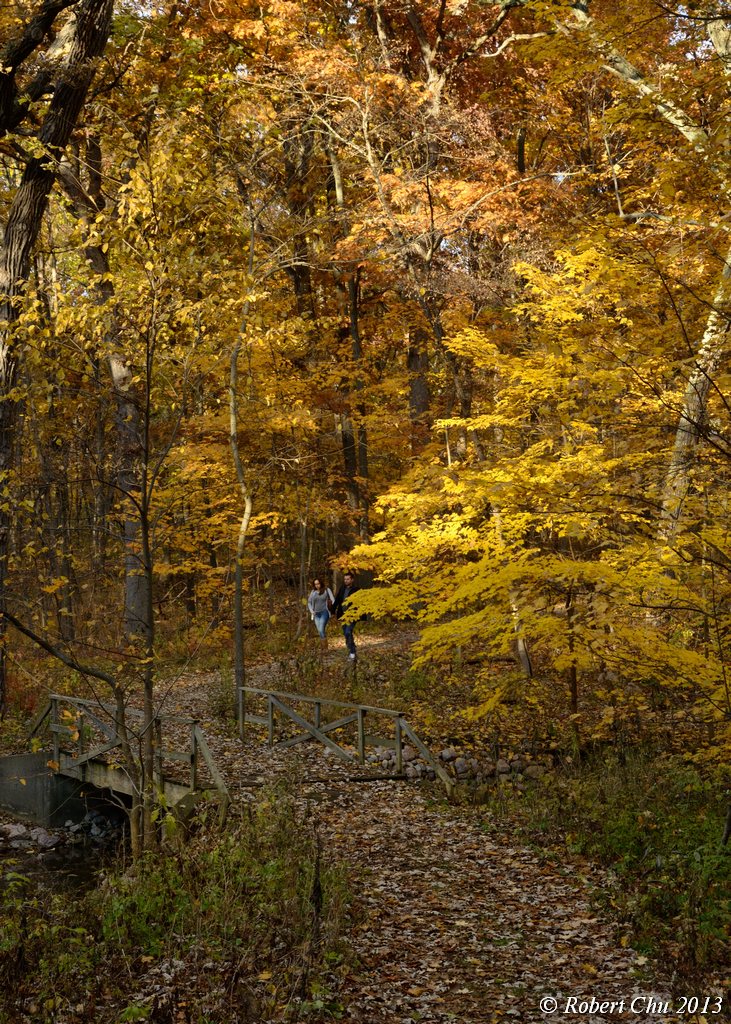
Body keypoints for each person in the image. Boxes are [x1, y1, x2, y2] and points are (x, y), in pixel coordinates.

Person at [331, 571, 359, 660]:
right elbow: (337, 600)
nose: (346, 581)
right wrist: (332, 610)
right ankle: (351, 647)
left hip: (352, 616)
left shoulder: (356, 589)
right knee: (346, 633)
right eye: (345, 579)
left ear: (352, 580)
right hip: (343, 615)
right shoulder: (342, 588)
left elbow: (360, 603)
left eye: (348, 579)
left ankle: (352, 652)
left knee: (348, 632)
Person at [307, 577, 335, 652]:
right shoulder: (313, 592)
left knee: (321, 628)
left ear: (321, 583)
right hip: (316, 614)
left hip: (324, 612)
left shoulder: (326, 590)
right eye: (315, 584)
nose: (317, 585)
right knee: (320, 630)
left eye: (318, 584)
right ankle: (324, 648)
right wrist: (312, 611)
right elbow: (309, 602)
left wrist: (331, 607)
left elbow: (333, 600)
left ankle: (325, 649)